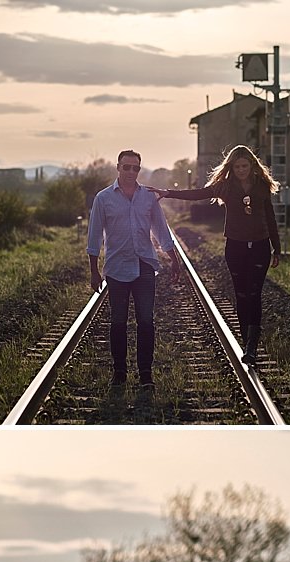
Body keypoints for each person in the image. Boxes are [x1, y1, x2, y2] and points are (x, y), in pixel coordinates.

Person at [151, 145, 281, 364]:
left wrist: (276, 248)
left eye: (245, 166)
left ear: (252, 165)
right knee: (241, 295)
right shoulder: (226, 186)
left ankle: (252, 347)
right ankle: (245, 339)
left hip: (260, 245)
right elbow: (199, 194)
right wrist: (168, 193)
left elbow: (270, 218)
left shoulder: (261, 186)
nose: (241, 170)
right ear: (231, 167)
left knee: (254, 294)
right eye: (237, 166)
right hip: (236, 246)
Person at [86, 149, 181, 388]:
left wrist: (174, 259)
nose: (131, 172)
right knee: (118, 322)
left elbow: (161, 229)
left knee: (146, 321)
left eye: (135, 168)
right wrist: (94, 271)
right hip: (117, 268)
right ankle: (119, 372)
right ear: (118, 167)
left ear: (139, 169)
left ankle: (145, 373)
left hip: (145, 266)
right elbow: (94, 235)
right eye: (126, 167)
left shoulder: (148, 197)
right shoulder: (103, 198)